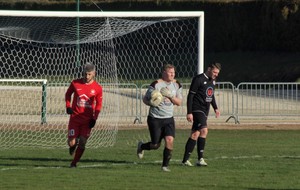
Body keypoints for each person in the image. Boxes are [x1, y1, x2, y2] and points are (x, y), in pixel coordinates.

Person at [137, 64, 183, 172]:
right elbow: (145, 100)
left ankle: (164, 166)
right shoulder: (155, 84)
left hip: (169, 119)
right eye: (170, 72)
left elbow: (179, 102)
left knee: (169, 140)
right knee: (155, 145)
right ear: (163, 72)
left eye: (174, 72)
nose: (172, 74)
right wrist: (151, 103)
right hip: (155, 119)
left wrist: (170, 96)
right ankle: (142, 146)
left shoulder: (177, 85)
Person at [182, 62, 221, 167]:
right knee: (204, 130)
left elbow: (211, 95)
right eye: (214, 72)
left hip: (205, 110)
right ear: (209, 69)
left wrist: (216, 108)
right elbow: (190, 96)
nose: (216, 74)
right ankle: (200, 159)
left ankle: (185, 160)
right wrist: (189, 112)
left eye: (217, 73)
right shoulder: (198, 79)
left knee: (195, 134)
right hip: (197, 109)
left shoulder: (213, 81)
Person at [65, 62, 103, 168]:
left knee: (82, 142)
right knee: (72, 143)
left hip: (87, 120)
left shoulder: (97, 88)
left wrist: (94, 118)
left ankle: (74, 163)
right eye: (85, 74)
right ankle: (73, 145)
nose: (87, 76)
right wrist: (68, 106)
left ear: (94, 74)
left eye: (89, 74)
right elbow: (68, 94)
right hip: (75, 118)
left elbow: (99, 105)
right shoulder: (75, 83)